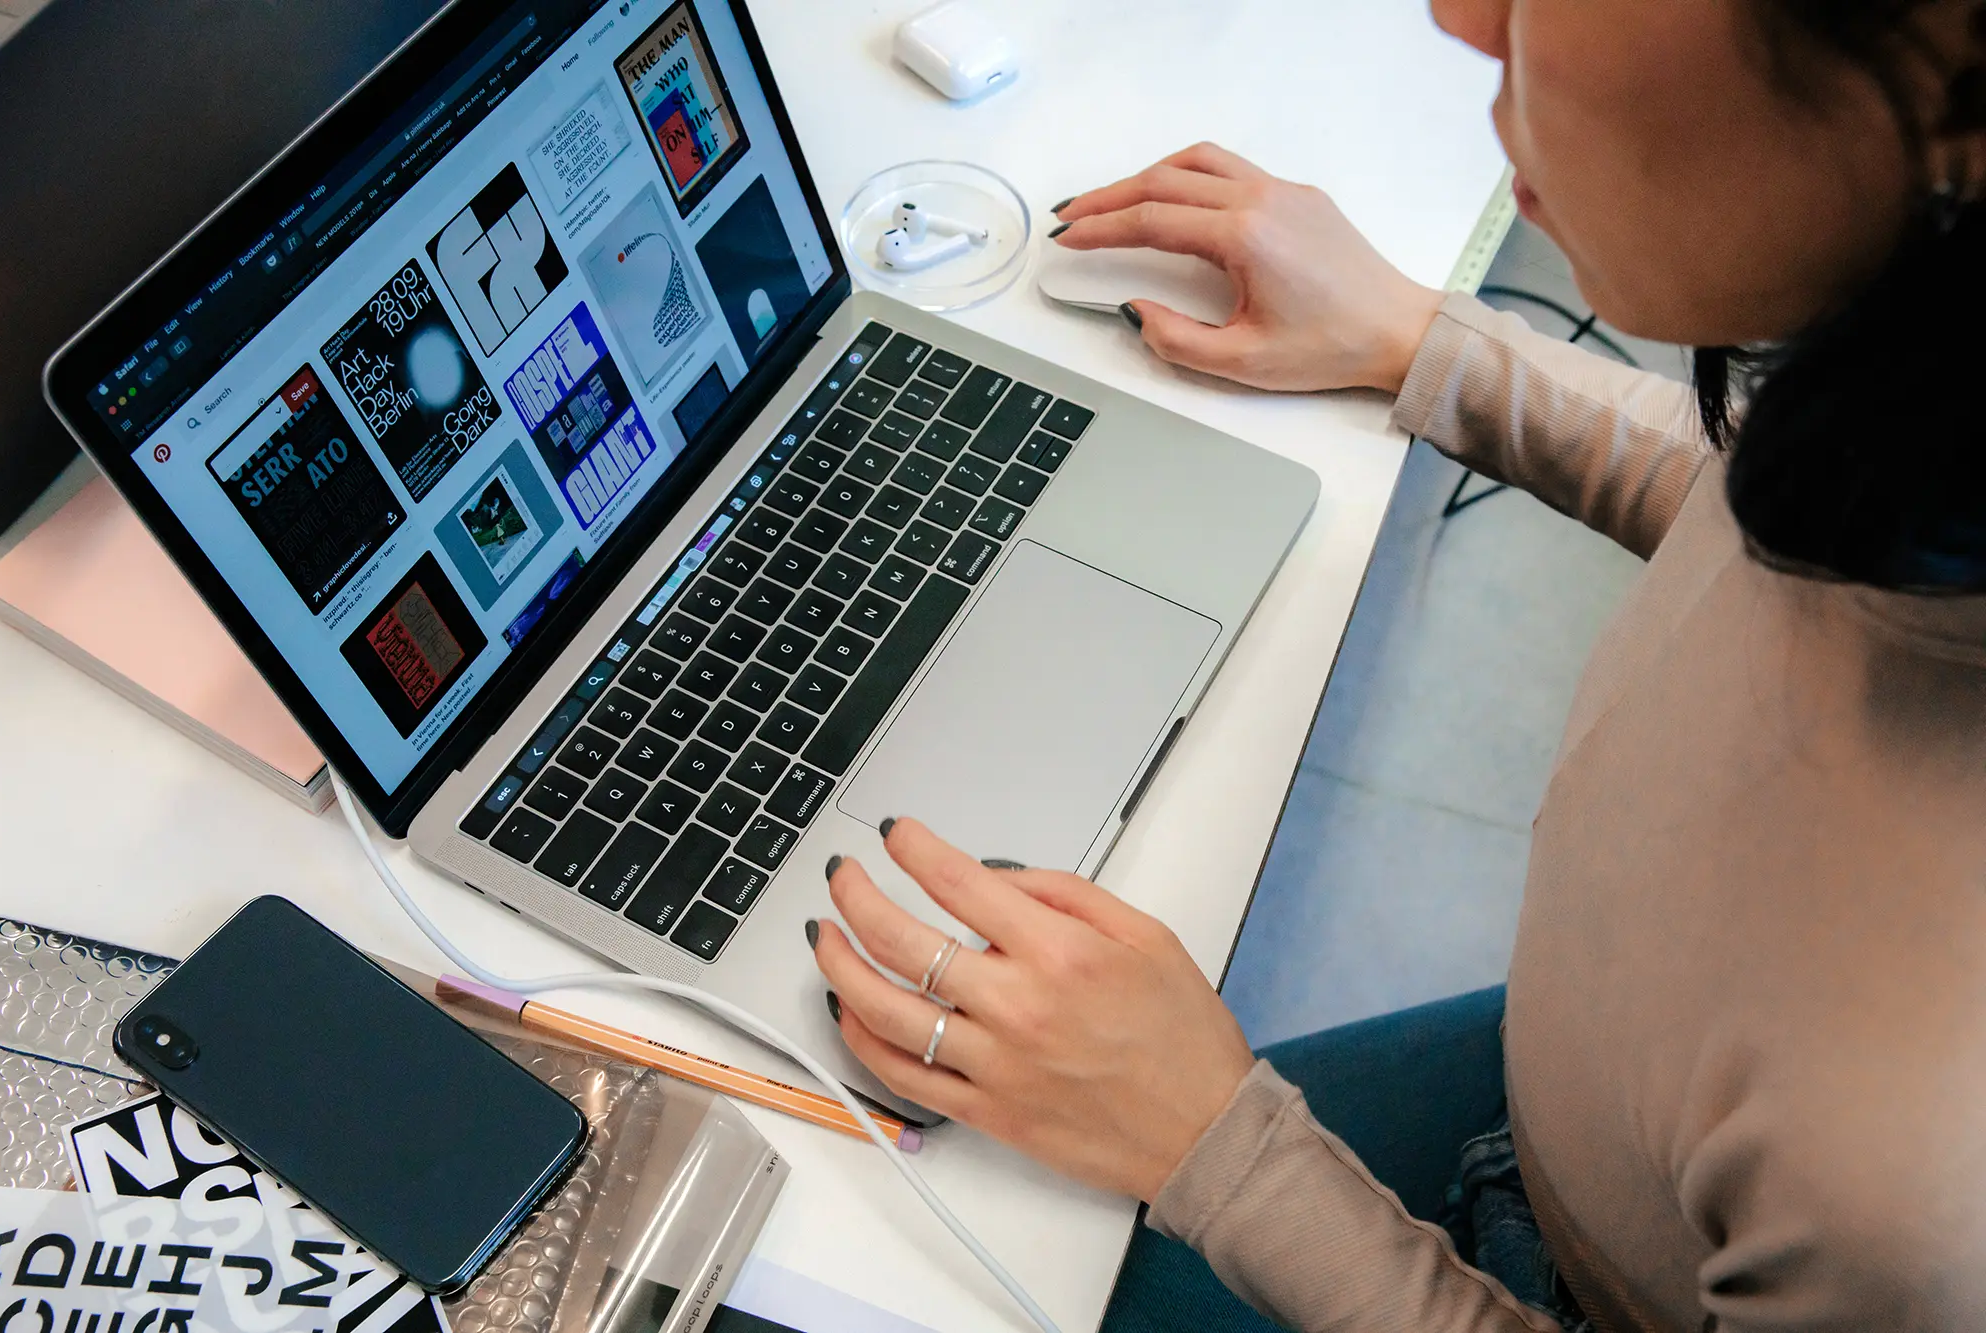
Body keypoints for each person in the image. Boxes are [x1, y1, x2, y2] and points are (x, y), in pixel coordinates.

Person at [809, 0, 1986, 1326]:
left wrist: (1214, 1144)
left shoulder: (1908, 1203)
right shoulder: (1930, 459)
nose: (1461, 16)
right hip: (1578, 1114)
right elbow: (1758, 511)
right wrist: (1421, 341)